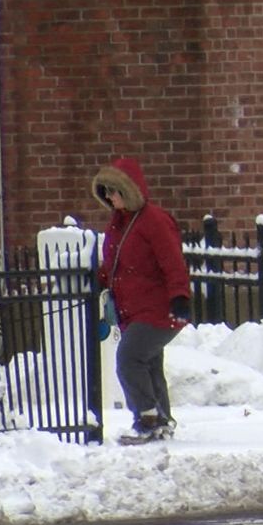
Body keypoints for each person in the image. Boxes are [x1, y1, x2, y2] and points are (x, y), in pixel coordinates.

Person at [92, 157, 191, 445]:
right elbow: (118, 263)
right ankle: (161, 420)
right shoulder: (119, 224)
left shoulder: (154, 220)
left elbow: (172, 261)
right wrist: (99, 278)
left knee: (130, 359)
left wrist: (180, 296)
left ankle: (148, 418)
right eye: (106, 192)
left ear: (129, 190)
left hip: (160, 308)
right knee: (148, 362)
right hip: (134, 309)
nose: (110, 197)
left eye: (114, 191)